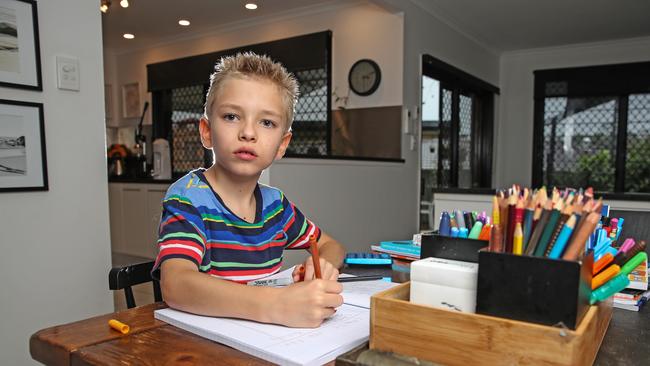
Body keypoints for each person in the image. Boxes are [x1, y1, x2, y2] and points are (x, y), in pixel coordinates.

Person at [153, 52, 346, 328]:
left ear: (282, 144)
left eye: (266, 122)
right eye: (232, 116)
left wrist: (323, 264)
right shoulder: (188, 199)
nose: (248, 132)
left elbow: (332, 245)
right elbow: (176, 284)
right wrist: (277, 306)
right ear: (207, 131)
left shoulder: (276, 206)